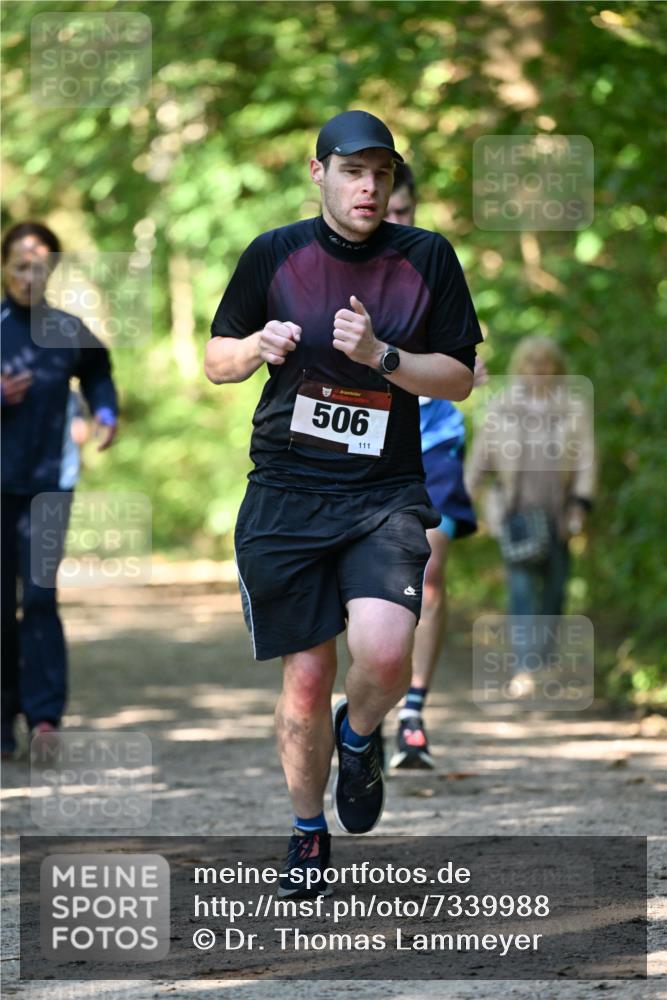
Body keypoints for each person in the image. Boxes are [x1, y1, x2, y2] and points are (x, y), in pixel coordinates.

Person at [205, 111, 482, 895]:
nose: (368, 186)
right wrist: (256, 347)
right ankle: (305, 831)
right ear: (318, 172)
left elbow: (458, 377)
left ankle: (358, 738)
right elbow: (215, 359)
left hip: (381, 492)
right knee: (304, 673)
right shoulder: (275, 254)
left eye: (381, 174)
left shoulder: (425, 258)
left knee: (386, 651)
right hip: (288, 489)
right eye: (353, 171)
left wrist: (381, 357)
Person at [1, 221, 119, 758]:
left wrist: (106, 410)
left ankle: (45, 718)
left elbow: (98, 371)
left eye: (41, 266)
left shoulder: (68, 328)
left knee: (41, 598)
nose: (30, 275)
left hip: (51, 484)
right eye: (21, 265)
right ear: (5, 267)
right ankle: (3, 722)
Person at [385, 163, 484, 769]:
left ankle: (414, 711)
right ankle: (373, 693)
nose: (394, 221)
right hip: (366, 441)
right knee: (370, 587)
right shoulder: (338, 267)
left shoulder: (438, 264)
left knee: (429, 568)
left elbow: (464, 357)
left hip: (433, 441)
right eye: (386, 211)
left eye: (403, 211)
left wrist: (465, 367)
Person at [465, 336, 595, 684]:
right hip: (515, 515)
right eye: (530, 362)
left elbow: (586, 461)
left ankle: (545, 662)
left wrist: (580, 505)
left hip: (559, 515)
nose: (538, 369)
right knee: (521, 590)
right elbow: (479, 461)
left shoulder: (573, 408)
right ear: (519, 367)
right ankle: (526, 667)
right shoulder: (500, 407)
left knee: (555, 590)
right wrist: (466, 502)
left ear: (557, 368)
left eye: (545, 362)